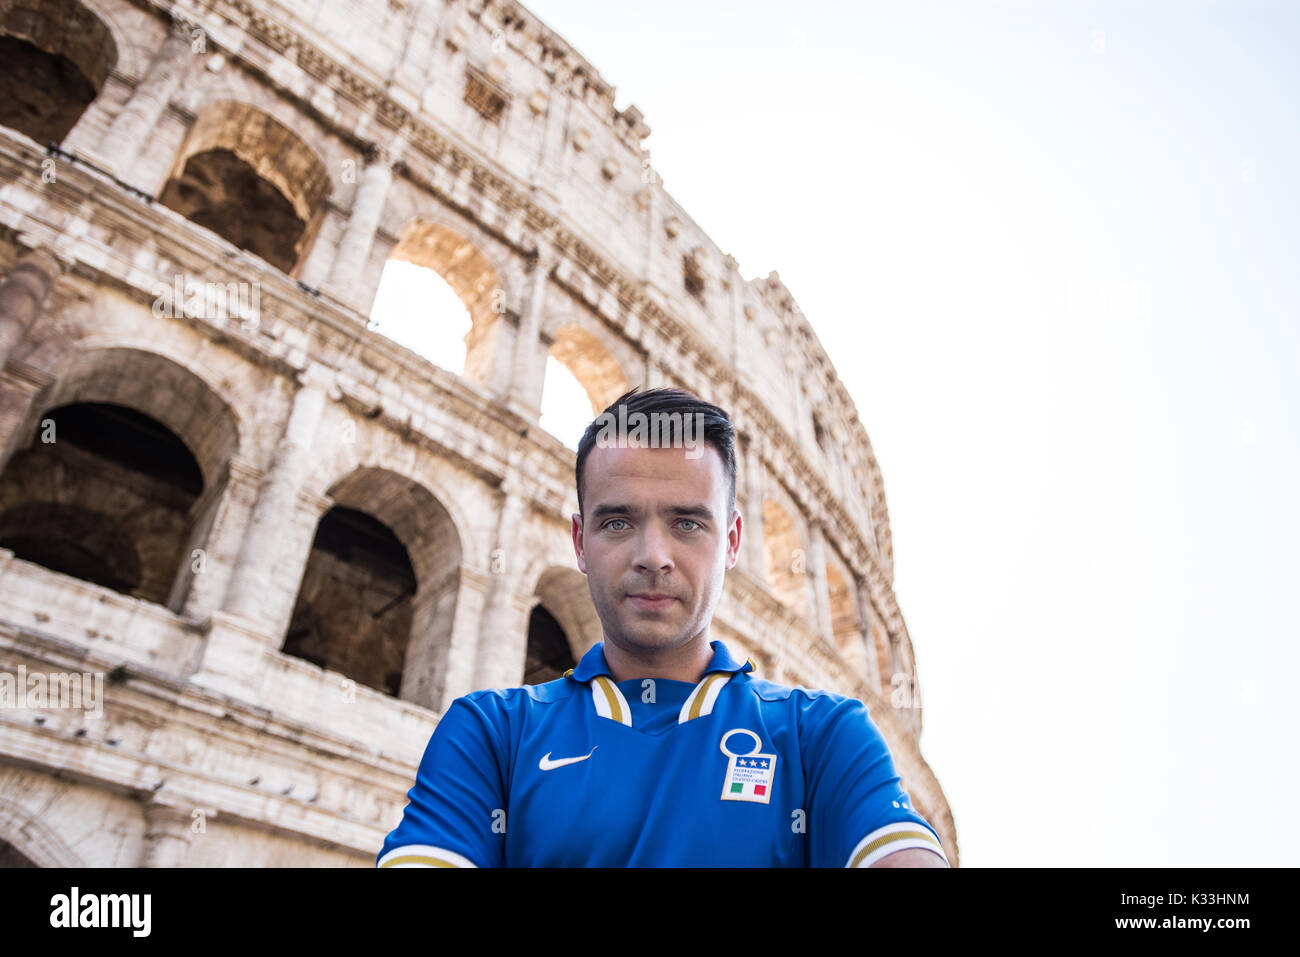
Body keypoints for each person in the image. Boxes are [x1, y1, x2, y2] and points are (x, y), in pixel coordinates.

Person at [377, 387, 948, 867]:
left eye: (687, 523)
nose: (653, 555)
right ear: (581, 542)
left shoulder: (823, 736)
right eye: (619, 521)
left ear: (730, 542)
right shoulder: (489, 734)